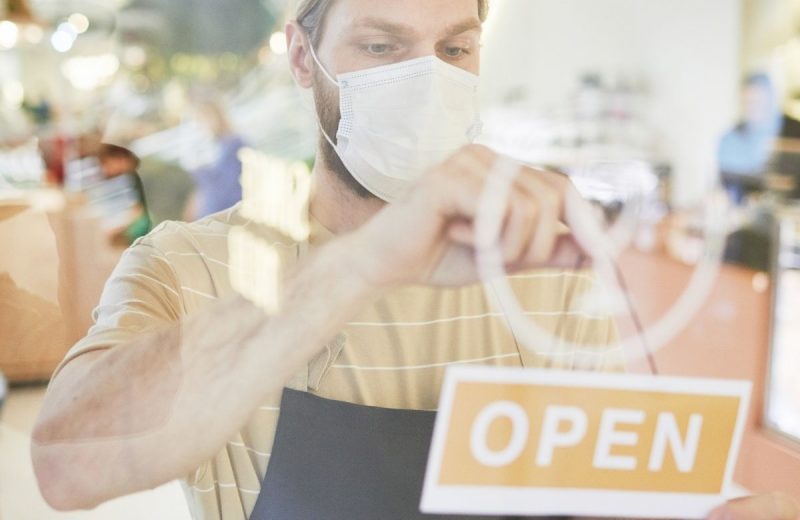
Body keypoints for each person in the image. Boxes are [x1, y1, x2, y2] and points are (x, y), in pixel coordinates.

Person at [31, 1, 798, 519]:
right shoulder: (190, 266)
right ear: (304, 59)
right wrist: (363, 263)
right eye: (381, 45)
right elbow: (66, 465)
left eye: (454, 47)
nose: (427, 76)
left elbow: (631, 491)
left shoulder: (556, 275)